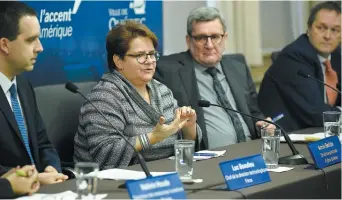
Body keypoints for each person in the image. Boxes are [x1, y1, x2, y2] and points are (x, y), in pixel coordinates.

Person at [74, 20, 202, 170]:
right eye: (140, 55)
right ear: (118, 61)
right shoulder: (104, 97)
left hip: (166, 175)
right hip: (115, 185)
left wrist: (188, 127)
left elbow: (183, 146)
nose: (150, 62)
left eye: (152, 54)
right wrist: (153, 137)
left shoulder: (161, 89)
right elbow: (106, 155)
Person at [154, 7, 272, 150]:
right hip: (207, 158)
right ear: (188, 41)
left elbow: (254, 112)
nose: (209, 45)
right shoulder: (168, 70)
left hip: (251, 152)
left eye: (215, 37)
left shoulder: (237, 65)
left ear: (225, 38)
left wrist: (262, 126)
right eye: (201, 38)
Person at [0, 1, 68, 184]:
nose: (40, 47)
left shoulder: (23, 85)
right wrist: (34, 179)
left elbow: (43, 143)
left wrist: (50, 167)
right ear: (5, 45)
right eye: (31, 40)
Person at [258, 1, 341, 132]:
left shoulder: (337, 56)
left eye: (335, 30)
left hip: (319, 133)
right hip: (285, 135)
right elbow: (316, 114)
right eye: (321, 28)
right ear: (308, 29)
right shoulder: (293, 57)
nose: (327, 36)